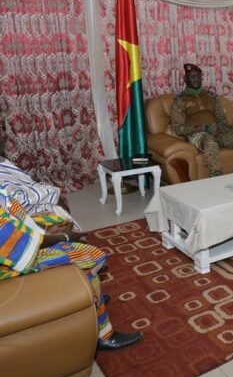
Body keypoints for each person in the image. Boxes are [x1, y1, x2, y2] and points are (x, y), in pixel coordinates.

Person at [0, 116, 142, 351]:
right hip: (13, 265)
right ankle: (104, 335)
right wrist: (64, 238)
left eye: (2, 126)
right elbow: (18, 245)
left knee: (71, 235)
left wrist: (44, 229)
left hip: (19, 246)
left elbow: (14, 219)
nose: (4, 133)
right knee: (91, 256)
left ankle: (91, 297)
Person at [170, 63, 233, 177]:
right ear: (185, 79)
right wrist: (202, 128)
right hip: (198, 134)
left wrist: (220, 127)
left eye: (198, 76)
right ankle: (216, 178)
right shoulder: (180, 100)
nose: (196, 79)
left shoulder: (211, 96)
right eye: (192, 76)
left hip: (217, 131)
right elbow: (178, 129)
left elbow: (222, 119)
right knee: (210, 143)